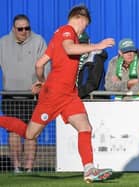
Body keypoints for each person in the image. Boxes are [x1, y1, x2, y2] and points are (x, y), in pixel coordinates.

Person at [2, 5, 115, 183]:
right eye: (86, 24)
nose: (85, 28)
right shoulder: (66, 31)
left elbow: (40, 64)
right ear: (80, 18)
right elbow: (70, 49)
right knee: (30, 134)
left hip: (69, 94)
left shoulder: (58, 36)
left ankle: (89, 169)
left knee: (85, 128)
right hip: (54, 95)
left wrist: (42, 81)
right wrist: (97, 46)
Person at [0, 14, 48, 173]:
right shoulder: (3, 43)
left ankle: (29, 168)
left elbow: (46, 64)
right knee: (13, 132)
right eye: (20, 28)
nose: (24, 31)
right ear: (13, 29)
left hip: (32, 97)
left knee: (31, 132)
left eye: (27, 28)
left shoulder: (38, 41)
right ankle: (16, 168)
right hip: (10, 95)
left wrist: (42, 83)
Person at [77, 32, 108, 99]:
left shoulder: (95, 59)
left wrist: (76, 93)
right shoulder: (75, 59)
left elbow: (92, 84)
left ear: (89, 43)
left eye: (84, 44)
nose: (82, 47)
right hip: (79, 98)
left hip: (94, 100)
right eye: (79, 45)